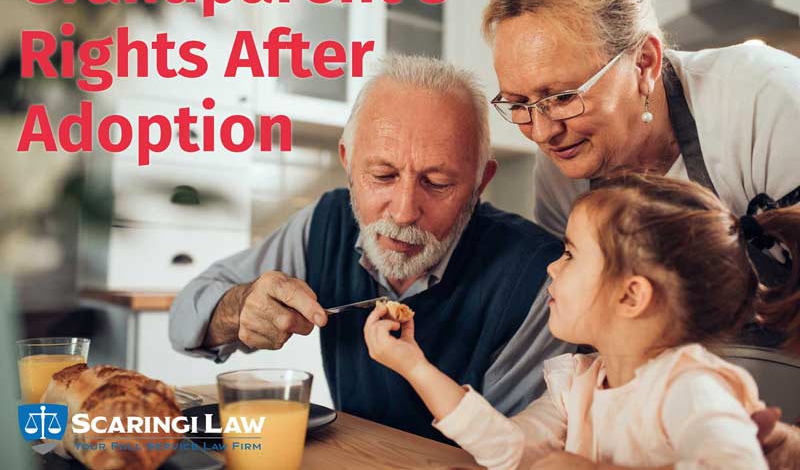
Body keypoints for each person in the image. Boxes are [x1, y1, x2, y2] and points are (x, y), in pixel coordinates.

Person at [168, 54, 572, 442]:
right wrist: (237, 308)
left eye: (437, 183)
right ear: (348, 161)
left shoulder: (538, 278)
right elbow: (184, 318)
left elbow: (515, 453)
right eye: (382, 175)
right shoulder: (325, 224)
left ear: (481, 183)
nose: (403, 211)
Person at [364, 172, 800, 469]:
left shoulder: (690, 386)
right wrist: (414, 365)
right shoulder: (579, 384)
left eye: (570, 254)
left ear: (630, 295)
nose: (552, 268)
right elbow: (512, 450)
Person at [482, 0, 800, 291]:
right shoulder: (562, 178)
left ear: (644, 63)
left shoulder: (764, 98)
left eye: (563, 97)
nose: (542, 132)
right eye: (518, 104)